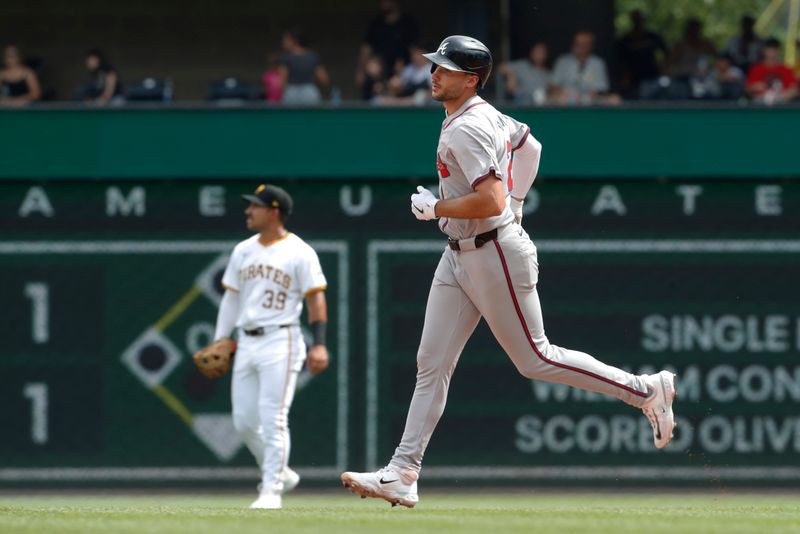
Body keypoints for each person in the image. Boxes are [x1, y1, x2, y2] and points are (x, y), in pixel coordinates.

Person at [340, 35, 677, 508]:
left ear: (471, 78)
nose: (434, 73)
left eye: (446, 68)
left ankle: (645, 390)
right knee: (431, 364)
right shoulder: (484, 114)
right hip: (460, 252)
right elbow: (530, 145)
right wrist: (516, 202)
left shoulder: (467, 127)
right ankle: (403, 472)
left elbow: (491, 200)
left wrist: (437, 205)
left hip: (492, 249)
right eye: (435, 65)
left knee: (535, 358)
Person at [216, 184, 330, 509]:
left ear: (274, 211)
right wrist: (221, 339)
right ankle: (282, 471)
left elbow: (316, 299)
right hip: (246, 342)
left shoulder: (299, 251)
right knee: (243, 421)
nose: (248, 211)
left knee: (273, 417)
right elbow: (231, 297)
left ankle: (271, 490)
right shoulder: (243, 250)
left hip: (282, 339)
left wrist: (319, 344)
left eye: (255, 206)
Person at [356, 0, 420, 88]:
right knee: (372, 71)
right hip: (380, 70)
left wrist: (409, 65)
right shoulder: (376, 23)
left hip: (403, 69)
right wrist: (360, 71)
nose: (383, 3)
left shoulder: (407, 23)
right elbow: (366, 49)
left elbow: (415, 49)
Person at [551, 31, 616, 105]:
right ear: (573, 44)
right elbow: (554, 86)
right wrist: (564, 94)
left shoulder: (598, 63)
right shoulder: (562, 61)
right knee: (556, 98)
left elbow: (599, 89)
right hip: (566, 99)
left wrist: (586, 98)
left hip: (590, 99)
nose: (582, 47)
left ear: (591, 46)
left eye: (585, 44)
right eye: (578, 44)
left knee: (614, 99)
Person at [616, 10, 667, 99]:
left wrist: (663, 68)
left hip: (653, 77)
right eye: (636, 19)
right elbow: (621, 61)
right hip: (633, 80)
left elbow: (667, 53)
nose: (638, 22)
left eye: (640, 19)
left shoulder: (652, 37)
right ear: (632, 20)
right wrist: (624, 78)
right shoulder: (625, 40)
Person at [278, 28, 330, 105]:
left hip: (291, 92)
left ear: (295, 40)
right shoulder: (313, 57)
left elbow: (282, 82)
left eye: (286, 40)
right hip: (310, 92)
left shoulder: (286, 58)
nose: (283, 42)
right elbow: (324, 79)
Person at [746, 38, 798, 105]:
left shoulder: (786, 70)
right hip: (760, 104)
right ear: (764, 50)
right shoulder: (756, 69)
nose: (772, 53)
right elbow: (747, 89)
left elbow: (794, 90)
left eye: (774, 50)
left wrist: (781, 96)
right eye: (769, 49)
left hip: (781, 104)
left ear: (779, 51)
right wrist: (755, 87)